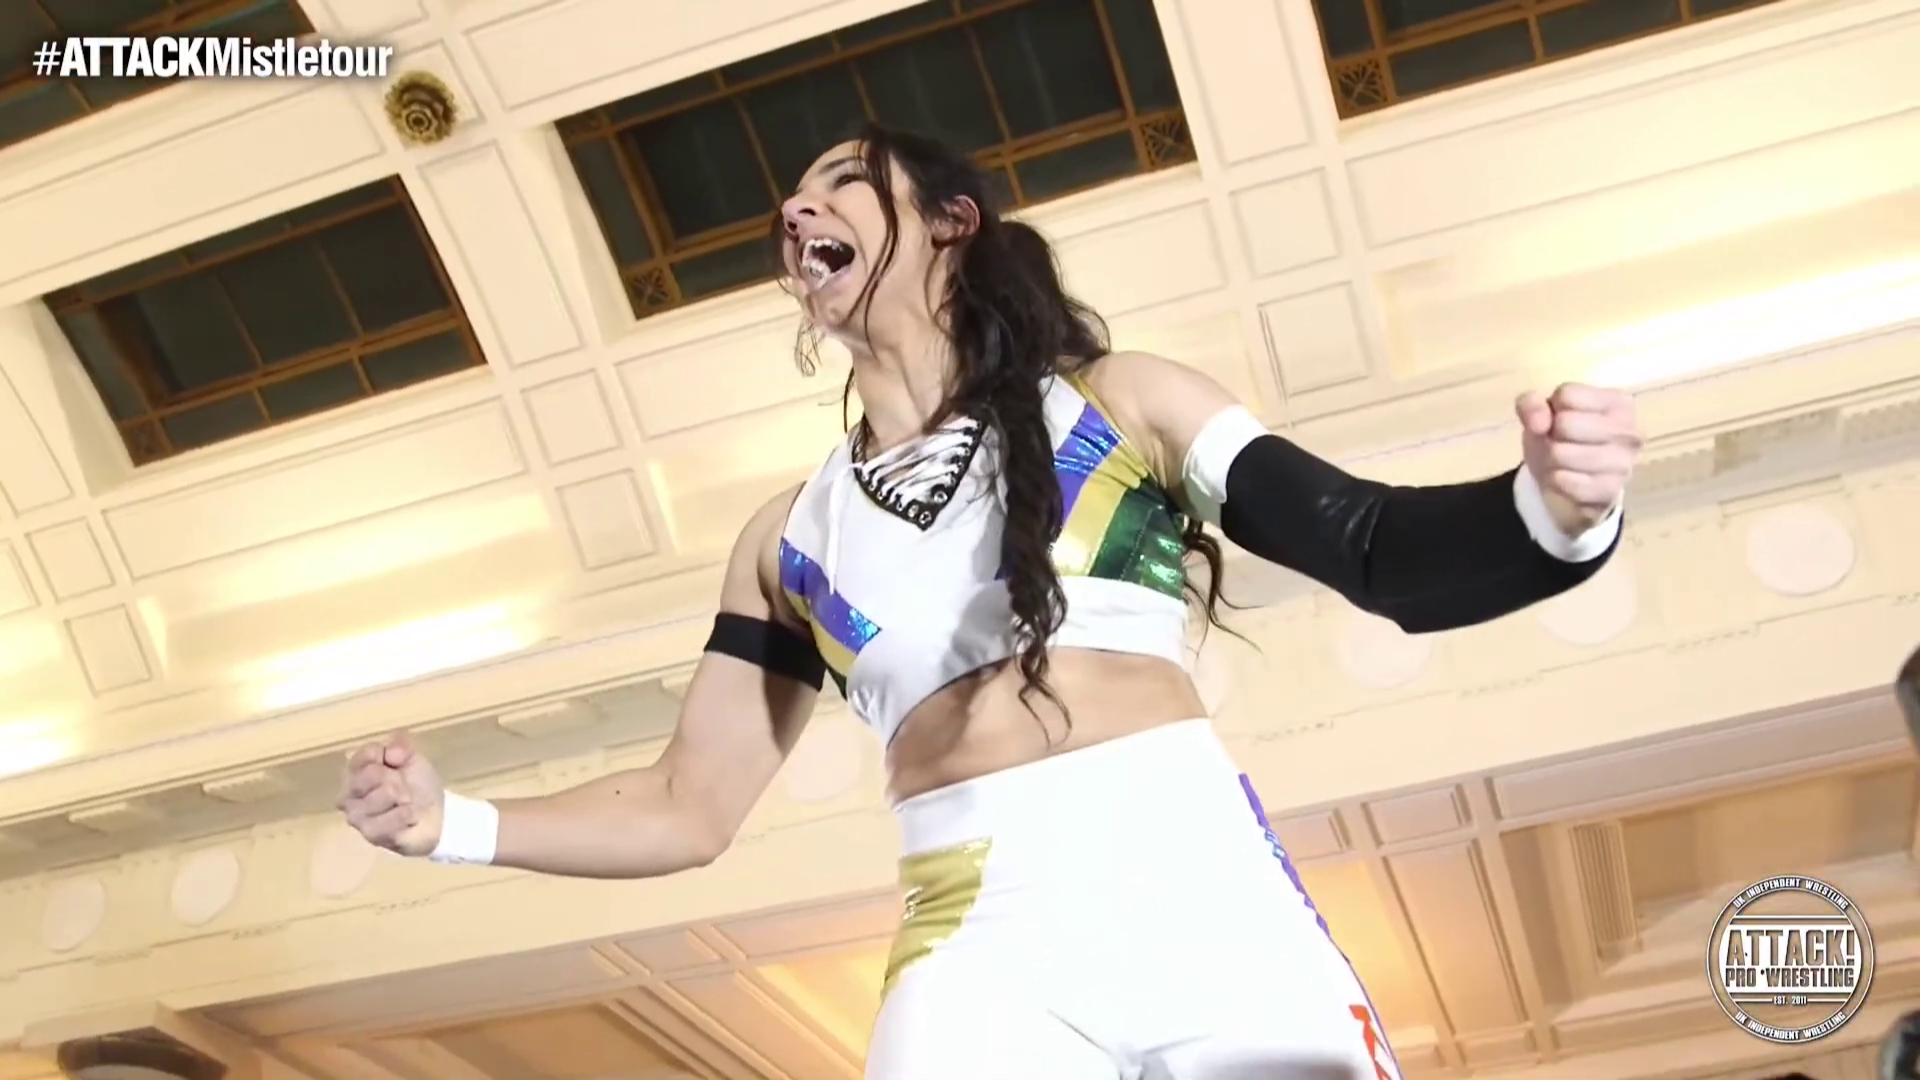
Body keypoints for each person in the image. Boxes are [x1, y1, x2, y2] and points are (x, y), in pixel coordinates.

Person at [338, 123, 1640, 1079]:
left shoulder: (1124, 403)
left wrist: (1553, 510)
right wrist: (453, 825)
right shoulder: (786, 541)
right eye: (790, 204)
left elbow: (1375, 548)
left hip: (1196, 886)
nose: (795, 213)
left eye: (841, 181)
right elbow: (686, 806)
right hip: (974, 938)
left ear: (953, 222)